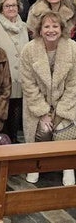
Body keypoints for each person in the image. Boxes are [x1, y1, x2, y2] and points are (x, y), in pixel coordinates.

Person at [21, 11, 76, 186]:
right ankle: (36, 164)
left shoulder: (73, 48)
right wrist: (44, 112)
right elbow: (29, 86)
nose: (51, 30)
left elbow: (73, 85)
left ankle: (68, 167)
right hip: (38, 103)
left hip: (66, 104)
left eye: (55, 26)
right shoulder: (29, 50)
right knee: (43, 130)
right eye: (46, 26)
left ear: (61, 29)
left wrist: (61, 112)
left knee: (64, 128)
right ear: (40, 29)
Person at [0, 0, 29, 143]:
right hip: (1, 84)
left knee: (15, 126)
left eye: (14, 5)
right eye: (7, 6)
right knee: (2, 125)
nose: (11, 8)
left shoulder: (24, 27)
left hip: (21, 82)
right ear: (1, 8)